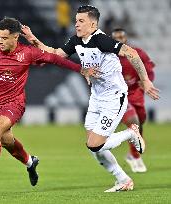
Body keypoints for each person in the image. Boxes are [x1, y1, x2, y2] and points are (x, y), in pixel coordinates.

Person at [0, 17, 98, 193]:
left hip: (15, 103)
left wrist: (81, 69)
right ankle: (30, 162)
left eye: (5, 38)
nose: (0, 41)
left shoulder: (27, 53)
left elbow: (55, 59)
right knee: (7, 142)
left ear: (15, 37)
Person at [21, 5, 159, 192]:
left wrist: (145, 80)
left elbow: (131, 53)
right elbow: (54, 54)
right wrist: (33, 39)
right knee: (93, 146)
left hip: (114, 97)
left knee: (95, 144)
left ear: (93, 23)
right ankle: (123, 179)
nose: (76, 24)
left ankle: (131, 133)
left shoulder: (101, 40)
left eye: (81, 21)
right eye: (76, 20)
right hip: (96, 97)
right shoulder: (76, 40)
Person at [112, 28, 155, 173]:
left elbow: (149, 70)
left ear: (125, 38)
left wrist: (147, 81)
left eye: (121, 36)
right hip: (120, 95)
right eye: (116, 37)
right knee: (133, 121)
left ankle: (132, 155)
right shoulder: (109, 55)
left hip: (137, 93)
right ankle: (136, 157)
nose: (119, 39)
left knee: (140, 121)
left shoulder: (137, 53)